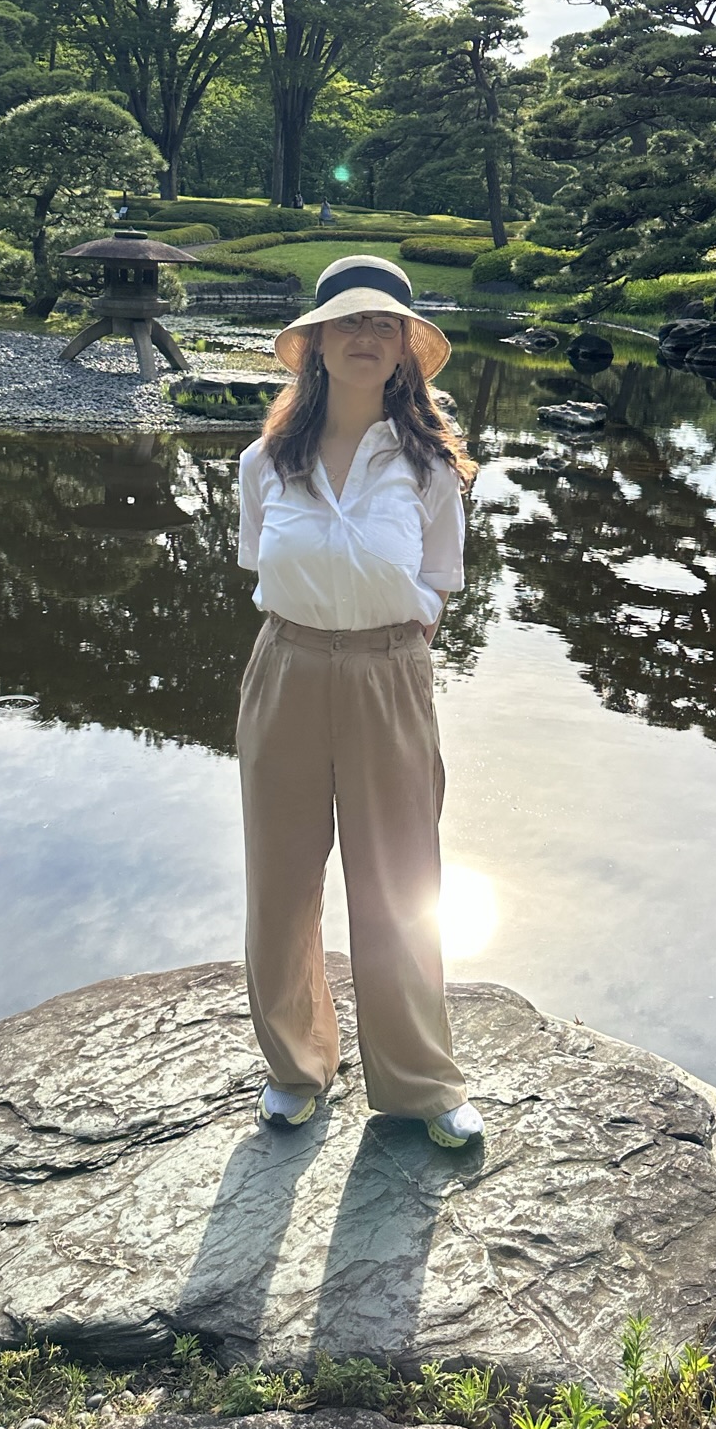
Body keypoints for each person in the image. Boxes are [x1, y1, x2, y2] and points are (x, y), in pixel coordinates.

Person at [235, 255, 484, 1149]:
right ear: (316, 344)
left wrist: (395, 646)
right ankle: (297, 1066)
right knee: (281, 880)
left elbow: (439, 581)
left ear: (406, 350)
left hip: (389, 677)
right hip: (288, 670)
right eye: (349, 323)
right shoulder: (265, 461)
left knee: (400, 883)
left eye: (384, 326)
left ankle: (419, 1082)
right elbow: (261, 564)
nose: (366, 338)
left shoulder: (428, 465)